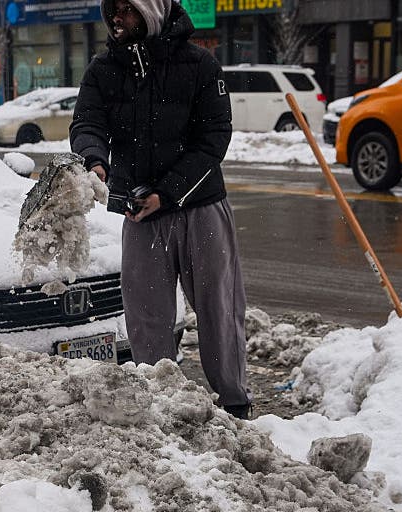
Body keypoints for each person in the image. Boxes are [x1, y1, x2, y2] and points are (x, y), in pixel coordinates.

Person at [69, 0, 252, 419]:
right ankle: (156, 404)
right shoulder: (103, 70)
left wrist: (167, 192)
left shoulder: (199, 64)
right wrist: (94, 159)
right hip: (139, 213)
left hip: (200, 205)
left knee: (217, 308)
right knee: (146, 316)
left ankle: (236, 403)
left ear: (151, 11)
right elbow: (86, 124)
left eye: (126, 10)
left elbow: (214, 138)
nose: (116, 19)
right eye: (111, 10)